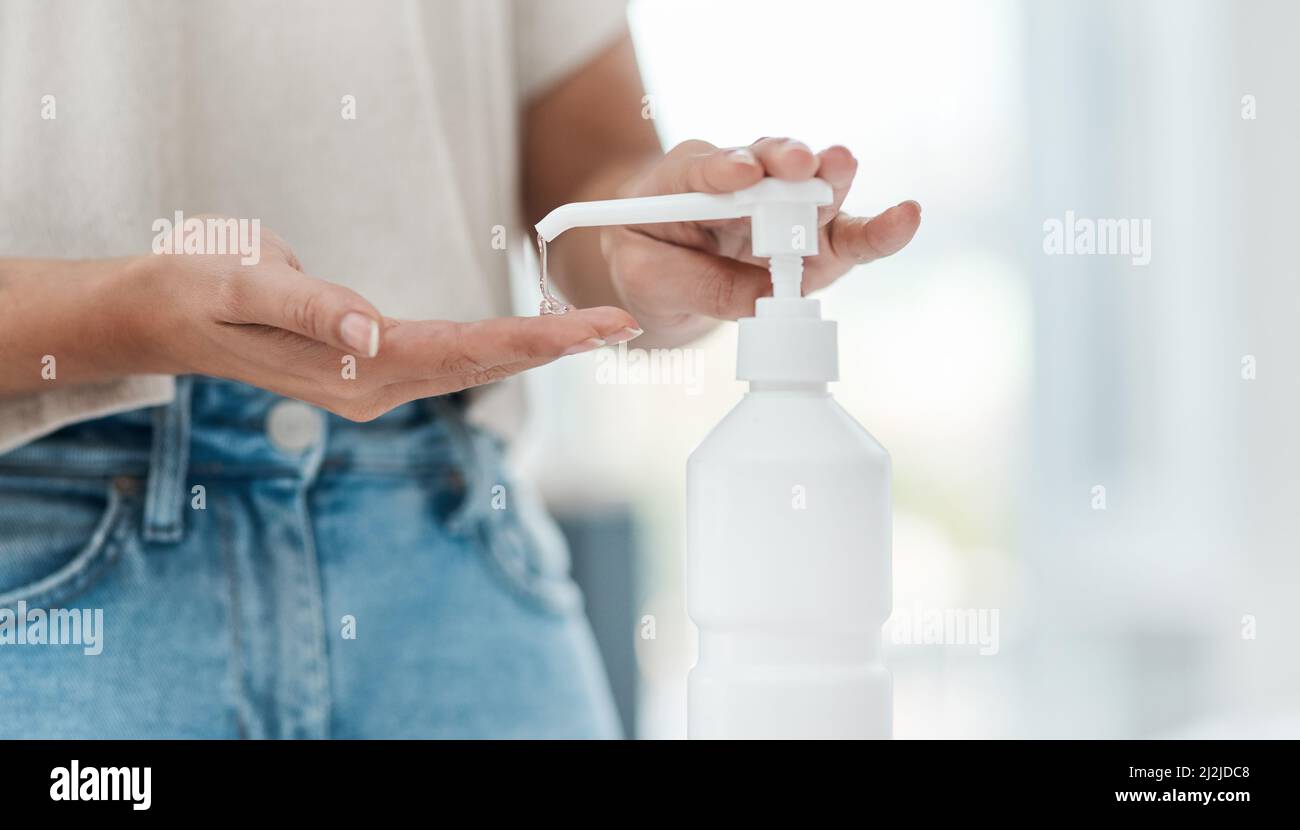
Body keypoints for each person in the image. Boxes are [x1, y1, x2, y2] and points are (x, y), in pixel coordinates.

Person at [0, 0, 920, 738]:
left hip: (448, 542)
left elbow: (589, 175)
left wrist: (652, 241)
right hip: (47, 565)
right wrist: (131, 313)